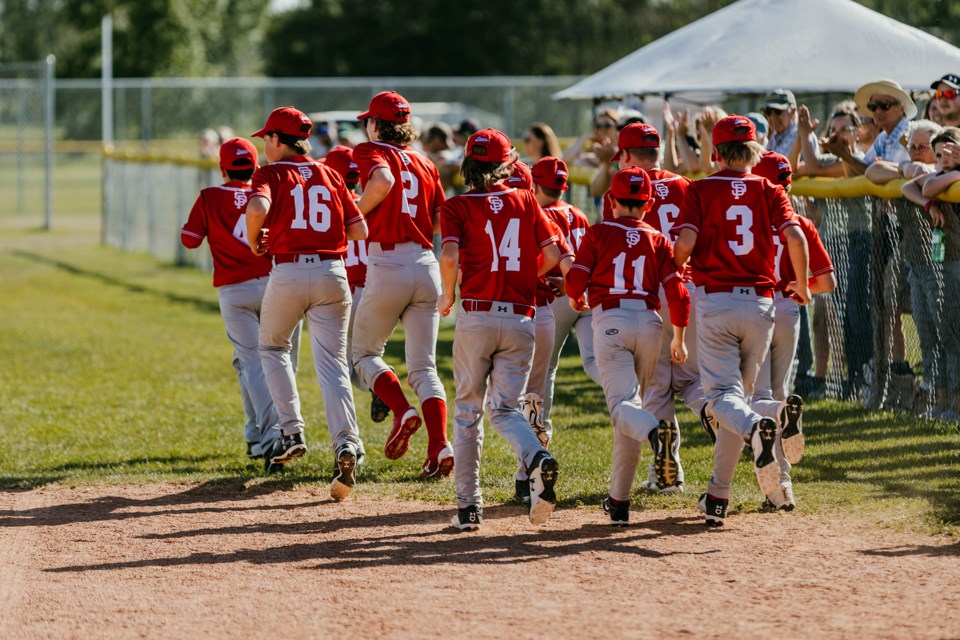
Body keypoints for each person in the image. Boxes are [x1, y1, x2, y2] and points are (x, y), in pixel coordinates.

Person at [673, 114, 810, 526]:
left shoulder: (700, 188)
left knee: (722, 400)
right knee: (736, 400)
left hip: (715, 301)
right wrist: (800, 285)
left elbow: (686, 241)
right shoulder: (769, 188)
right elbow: (796, 236)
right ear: (755, 151)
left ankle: (758, 428)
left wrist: (676, 269)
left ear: (715, 153)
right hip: (762, 302)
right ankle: (718, 495)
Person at [438, 128, 562, 531]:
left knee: (468, 411)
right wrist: (526, 279)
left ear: (468, 166)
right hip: (520, 315)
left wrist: (446, 295)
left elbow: (450, 254)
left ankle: (468, 508)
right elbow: (553, 254)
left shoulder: (456, 205)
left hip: (477, 313)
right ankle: (536, 456)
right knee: (506, 408)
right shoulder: (525, 198)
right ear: (508, 165)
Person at [245, 106, 366, 500]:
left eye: (267, 138)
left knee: (272, 346)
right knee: (333, 364)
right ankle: (347, 443)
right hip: (333, 270)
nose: (265, 144)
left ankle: (291, 431)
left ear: (279, 140)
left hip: (290, 271)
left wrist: (255, 237)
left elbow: (258, 207)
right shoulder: (330, 172)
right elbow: (359, 228)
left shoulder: (270, 173)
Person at [565, 166, 690, 526]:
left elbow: (576, 280)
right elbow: (677, 293)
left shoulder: (599, 230)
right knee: (630, 411)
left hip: (612, 321)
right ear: (649, 203)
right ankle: (618, 502)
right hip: (651, 324)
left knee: (624, 408)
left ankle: (657, 434)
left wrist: (575, 298)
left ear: (611, 200)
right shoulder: (659, 239)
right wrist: (678, 337)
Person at [351, 91, 453, 478]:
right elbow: (442, 218)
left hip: (388, 260)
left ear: (376, 125)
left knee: (364, 354)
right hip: (425, 261)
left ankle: (401, 409)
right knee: (425, 368)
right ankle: (439, 447)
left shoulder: (371, 150)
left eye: (369, 121)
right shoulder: (425, 161)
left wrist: (353, 212)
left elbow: (382, 179)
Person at [181, 137, 283, 461]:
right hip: (273, 284)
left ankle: (271, 437)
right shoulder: (266, 194)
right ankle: (258, 435)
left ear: (222, 167)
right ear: (255, 166)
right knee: (268, 363)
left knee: (252, 363)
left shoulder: (210, 197)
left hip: (234, 290)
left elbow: (190, 241)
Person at [749, 151, 836, 511]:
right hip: (788, 306)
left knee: (753, 398)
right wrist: (798, 288)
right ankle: (783, 488)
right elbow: (826, 283)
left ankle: (777, 487)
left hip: (754, 306)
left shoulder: (749, 223)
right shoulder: (798, 222)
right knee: (779, 392)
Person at [323, 145, 390, 435]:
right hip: (376, 292)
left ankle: (348, 433)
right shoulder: (372, 203)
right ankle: (381, 384)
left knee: (341, 365)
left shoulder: (329, 204)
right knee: (366, 357)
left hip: (346, 292)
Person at [901, 126, 960, 417]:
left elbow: (929, 185)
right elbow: (911, 187)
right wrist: (928, 206)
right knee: (931, 336)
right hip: (938, 266)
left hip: (954, 267)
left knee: (952, 337)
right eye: (938, 154)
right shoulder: (939, 176)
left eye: (949, 151)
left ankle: (956, 404)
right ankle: (941, 400)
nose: (943, 158)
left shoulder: (954, 177)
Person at [824, 79, 915, 176]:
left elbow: (879, 173)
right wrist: (844, 154)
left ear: (901, 109)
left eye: (885, 105)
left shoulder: (912, 134)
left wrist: (844, 155)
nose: (878, 111)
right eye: (873, 106)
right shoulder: (882, 138)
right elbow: (862, 173)